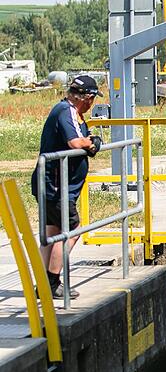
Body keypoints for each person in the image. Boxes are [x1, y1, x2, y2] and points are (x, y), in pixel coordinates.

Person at [31, 75, 103, 299]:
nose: (92, 103)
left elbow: (80, 138)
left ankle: (43, 284)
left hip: (57, 184)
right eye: (93, 98)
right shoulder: (66, 110)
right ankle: (52, 283)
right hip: (55, 185)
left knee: (52, 231)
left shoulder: (73, 113)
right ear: (87, 98)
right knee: (72, 230)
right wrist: (92, 143)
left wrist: (91, 141)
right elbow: (74, 142)